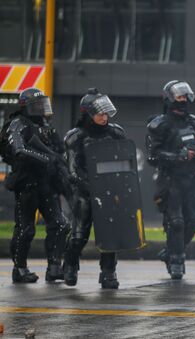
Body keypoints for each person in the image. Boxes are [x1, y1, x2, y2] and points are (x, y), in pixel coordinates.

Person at [0, 87, 70, 283]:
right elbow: (19, 150)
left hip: (47, 184)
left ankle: (54, 268)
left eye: (43, 104)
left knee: (61, 224)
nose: (41, 108)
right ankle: (20, 269)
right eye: (37, 105)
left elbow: (60, 150)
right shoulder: (17, 124)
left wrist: (61, 161)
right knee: (26, 228)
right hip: (27, 184)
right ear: (26, 106)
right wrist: (45, 158)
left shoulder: (46, 126)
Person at [62, 88, 125, 289]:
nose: (104, 117)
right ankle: (70, 265)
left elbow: (125, 162)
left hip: (110, 191)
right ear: (88, 113)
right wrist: (92, 188)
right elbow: (73, 171)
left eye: (106, 113)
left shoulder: (116, 133)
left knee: (109, 235)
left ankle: (108, 272)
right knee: (79, 235)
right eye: (100, 113)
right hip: (84, 193)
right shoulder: (76, 137)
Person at [146, 80, 195, 280]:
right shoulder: (159, 125)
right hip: (170, 180)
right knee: (176, 222)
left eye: (185, 97)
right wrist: (179, 156)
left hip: (192, 179)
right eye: (179, 97)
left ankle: (169, 251)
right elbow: (152, 156)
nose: (183, 101)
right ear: (170, 99)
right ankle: (176, 261)